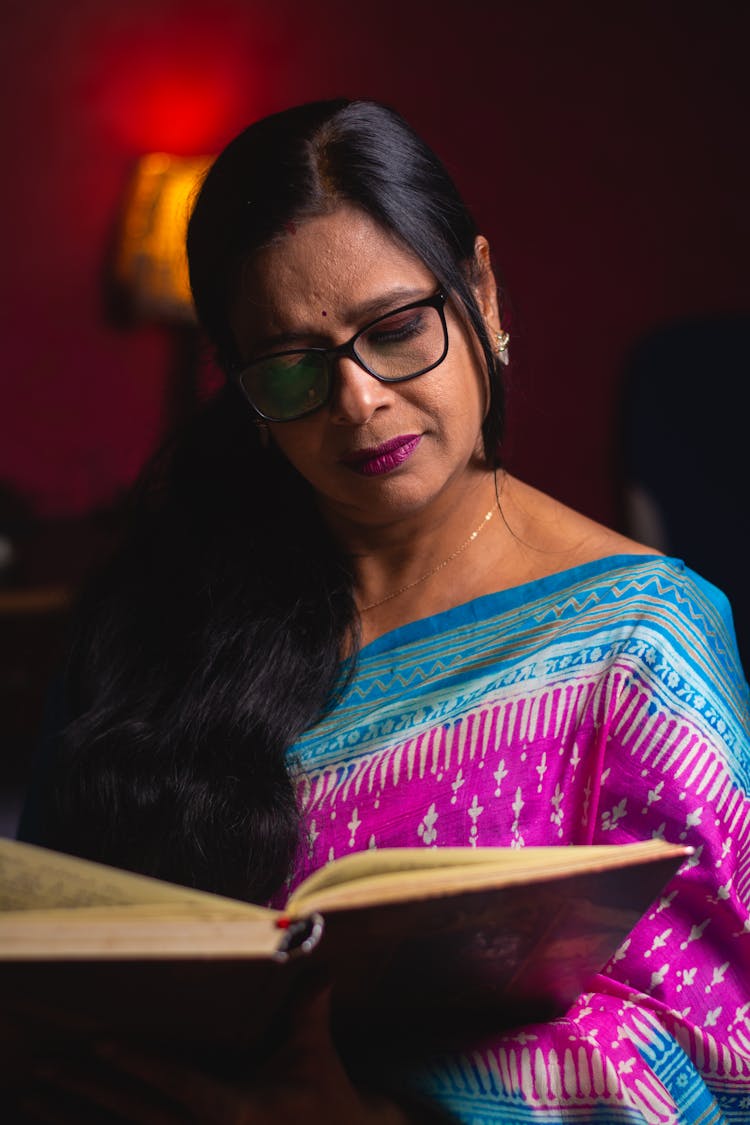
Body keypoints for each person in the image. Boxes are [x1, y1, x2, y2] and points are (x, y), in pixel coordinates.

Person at [20, 98, 750, 1123]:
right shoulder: (159, 617)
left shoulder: (638, 643)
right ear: (240, 387)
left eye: (397, 329)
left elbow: (707, 1048)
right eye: (291, 364)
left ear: (481, 296)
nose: (358, 401)